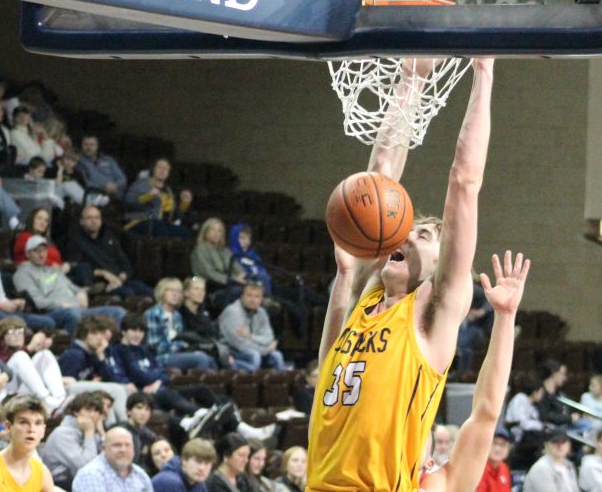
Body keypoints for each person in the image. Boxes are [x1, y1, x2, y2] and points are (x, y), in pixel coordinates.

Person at [307, 58, 496, 491]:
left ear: (438, 268)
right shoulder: (368, 296)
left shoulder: (431, 313)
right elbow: (377, 185)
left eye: (425, 236)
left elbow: (464, 182)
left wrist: (483, 72)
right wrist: (412, 79)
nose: (408, 235)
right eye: (408, 230)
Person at [415, 249, 525, 492]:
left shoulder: (439, 483)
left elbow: (486, 412)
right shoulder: (370, 469)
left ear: (429, 460)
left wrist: (505, 316)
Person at [113, 312, 275, 442]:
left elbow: (163, 372)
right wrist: (152, 381)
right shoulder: (118, 351)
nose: (137, 335)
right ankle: (202, 414)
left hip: (160, 387)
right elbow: (134, 373)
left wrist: (158, 380)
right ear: (123, 331)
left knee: (203, 390)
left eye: (141, 331)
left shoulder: (145, 350)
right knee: (168, 394)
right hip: (145, 395)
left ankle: (241, 428)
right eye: (133, 330)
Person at [13, 235, 126, 333]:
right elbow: (37, 302)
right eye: (36, 251)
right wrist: (61, 305)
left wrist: (82, 292)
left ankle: (113, 353)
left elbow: (74, 288)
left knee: (118, 312)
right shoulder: (22, 273)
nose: (41, 254)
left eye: (43, 250)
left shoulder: (53, 270)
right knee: (73, 314)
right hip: (53, 313)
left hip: (79, 309)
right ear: (28, 254)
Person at [65, 206, 153, 297]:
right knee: (128, 293)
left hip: (120, 280)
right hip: (101, 284)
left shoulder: (109, 237)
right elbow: (78, 268)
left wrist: (122, 277)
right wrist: (103, 273)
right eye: (89, 218)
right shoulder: (76, 241)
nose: (94, 221)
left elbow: (125, 263)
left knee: (150, 292)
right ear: (81, 221)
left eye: (97, 217)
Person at [57, 315, 130, 423]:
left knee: (110, 405)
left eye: (101, 333)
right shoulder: (74, 354)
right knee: (118, 390)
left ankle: (116, 432)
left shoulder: (93, 353)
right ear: (83, 334)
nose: (100, 338)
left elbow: (109, 379)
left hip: (86, 394)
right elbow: (66, 383)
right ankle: (126, 426)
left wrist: (101, 356)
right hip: (67, 394)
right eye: (94, 333)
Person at [0, 317, 67, 411]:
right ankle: (46, 400)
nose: (17, 336)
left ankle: (60, 399)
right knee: (20, 356)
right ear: (3, 337)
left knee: (44, 353)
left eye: (20, 332)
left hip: (25, 393)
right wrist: (29, 348)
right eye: (12, 332)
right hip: (6, 396)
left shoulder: (25, 350)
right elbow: (6, 366)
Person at [144, 278, 217, 371]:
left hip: (177, 353)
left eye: (178, 291)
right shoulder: (153, 313)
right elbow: (155, 347)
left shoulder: (177, 315)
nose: (175, 295)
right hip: (161, 357)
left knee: (211, 360)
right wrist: (181, 345)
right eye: (171, 291)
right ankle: (199, 384)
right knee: (201, 358)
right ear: (162, 292)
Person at [40, 391, 107, 489]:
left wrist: (102, 433)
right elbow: (87, 467)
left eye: (96, 411)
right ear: (76, 412)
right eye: (88, 410)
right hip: (58, 484)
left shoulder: (93, 432)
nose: (93, 415)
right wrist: (89, 433)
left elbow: (109, 460)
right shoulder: (63, 434)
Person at [218, 280, 286, 371]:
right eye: (249, 295)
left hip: (254, 348)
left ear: (261, 299)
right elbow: (240, 345)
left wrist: (250, 336)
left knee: (277, 356)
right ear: (242, 296)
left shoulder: (262, 312)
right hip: (231, 352)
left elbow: (269, 337)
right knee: (254, 355)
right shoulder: (233, 312)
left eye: (257, 296)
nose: (253, 300)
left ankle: (278, 384)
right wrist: (266, 350)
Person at [70, 426, 154, 492]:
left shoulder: (140, 474)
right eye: (117, 445)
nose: (123, 450)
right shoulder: (90, 475)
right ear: (103, 448)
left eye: (127, 445)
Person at [124, 158, 191, 238]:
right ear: (153, 169)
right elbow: (128, 202)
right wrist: (148, 196)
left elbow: (174, 217)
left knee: (185, 232)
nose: (163, 171)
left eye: (166, 169)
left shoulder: (169, 190)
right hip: (140, 221)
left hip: (162, 224)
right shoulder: (141, 184)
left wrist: (185, 203)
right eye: (159, 167)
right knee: (160, 228)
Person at [178, 276, 235, 369]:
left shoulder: (204, 314)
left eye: (203, 290)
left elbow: (213, 334)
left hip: (210, 349)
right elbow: (185, 336)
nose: (201, 293)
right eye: (196, 289)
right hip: (192, 350)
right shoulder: (180, 313)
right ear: (186, 292)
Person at [191, 217, 243, 297]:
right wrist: (234, 279)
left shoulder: (225, 251)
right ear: (205, 232)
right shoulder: (200, 250)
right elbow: (209, 274)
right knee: (242, 293)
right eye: (213, 230)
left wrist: (242, 276)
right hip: (211, 288)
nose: (216, 233)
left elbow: (237, 267)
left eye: (219, 231)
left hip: (230, 285)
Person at [150, 438, 215, 492]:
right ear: (184, 460)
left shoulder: (198, 482)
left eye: (207, 463)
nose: (202, 468)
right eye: (198, 462)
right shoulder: (169, 481)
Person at [77, 134, 127, 199]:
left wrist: (115, 185)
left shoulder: (109, 160)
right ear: (82, 146)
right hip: (95, 193)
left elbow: (122, 179)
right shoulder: (80, 162)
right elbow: (86, 182)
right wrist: (104, 187)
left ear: (97, 146)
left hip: (115, 192)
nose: (89, 147)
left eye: (92, 145)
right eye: (86, 144)